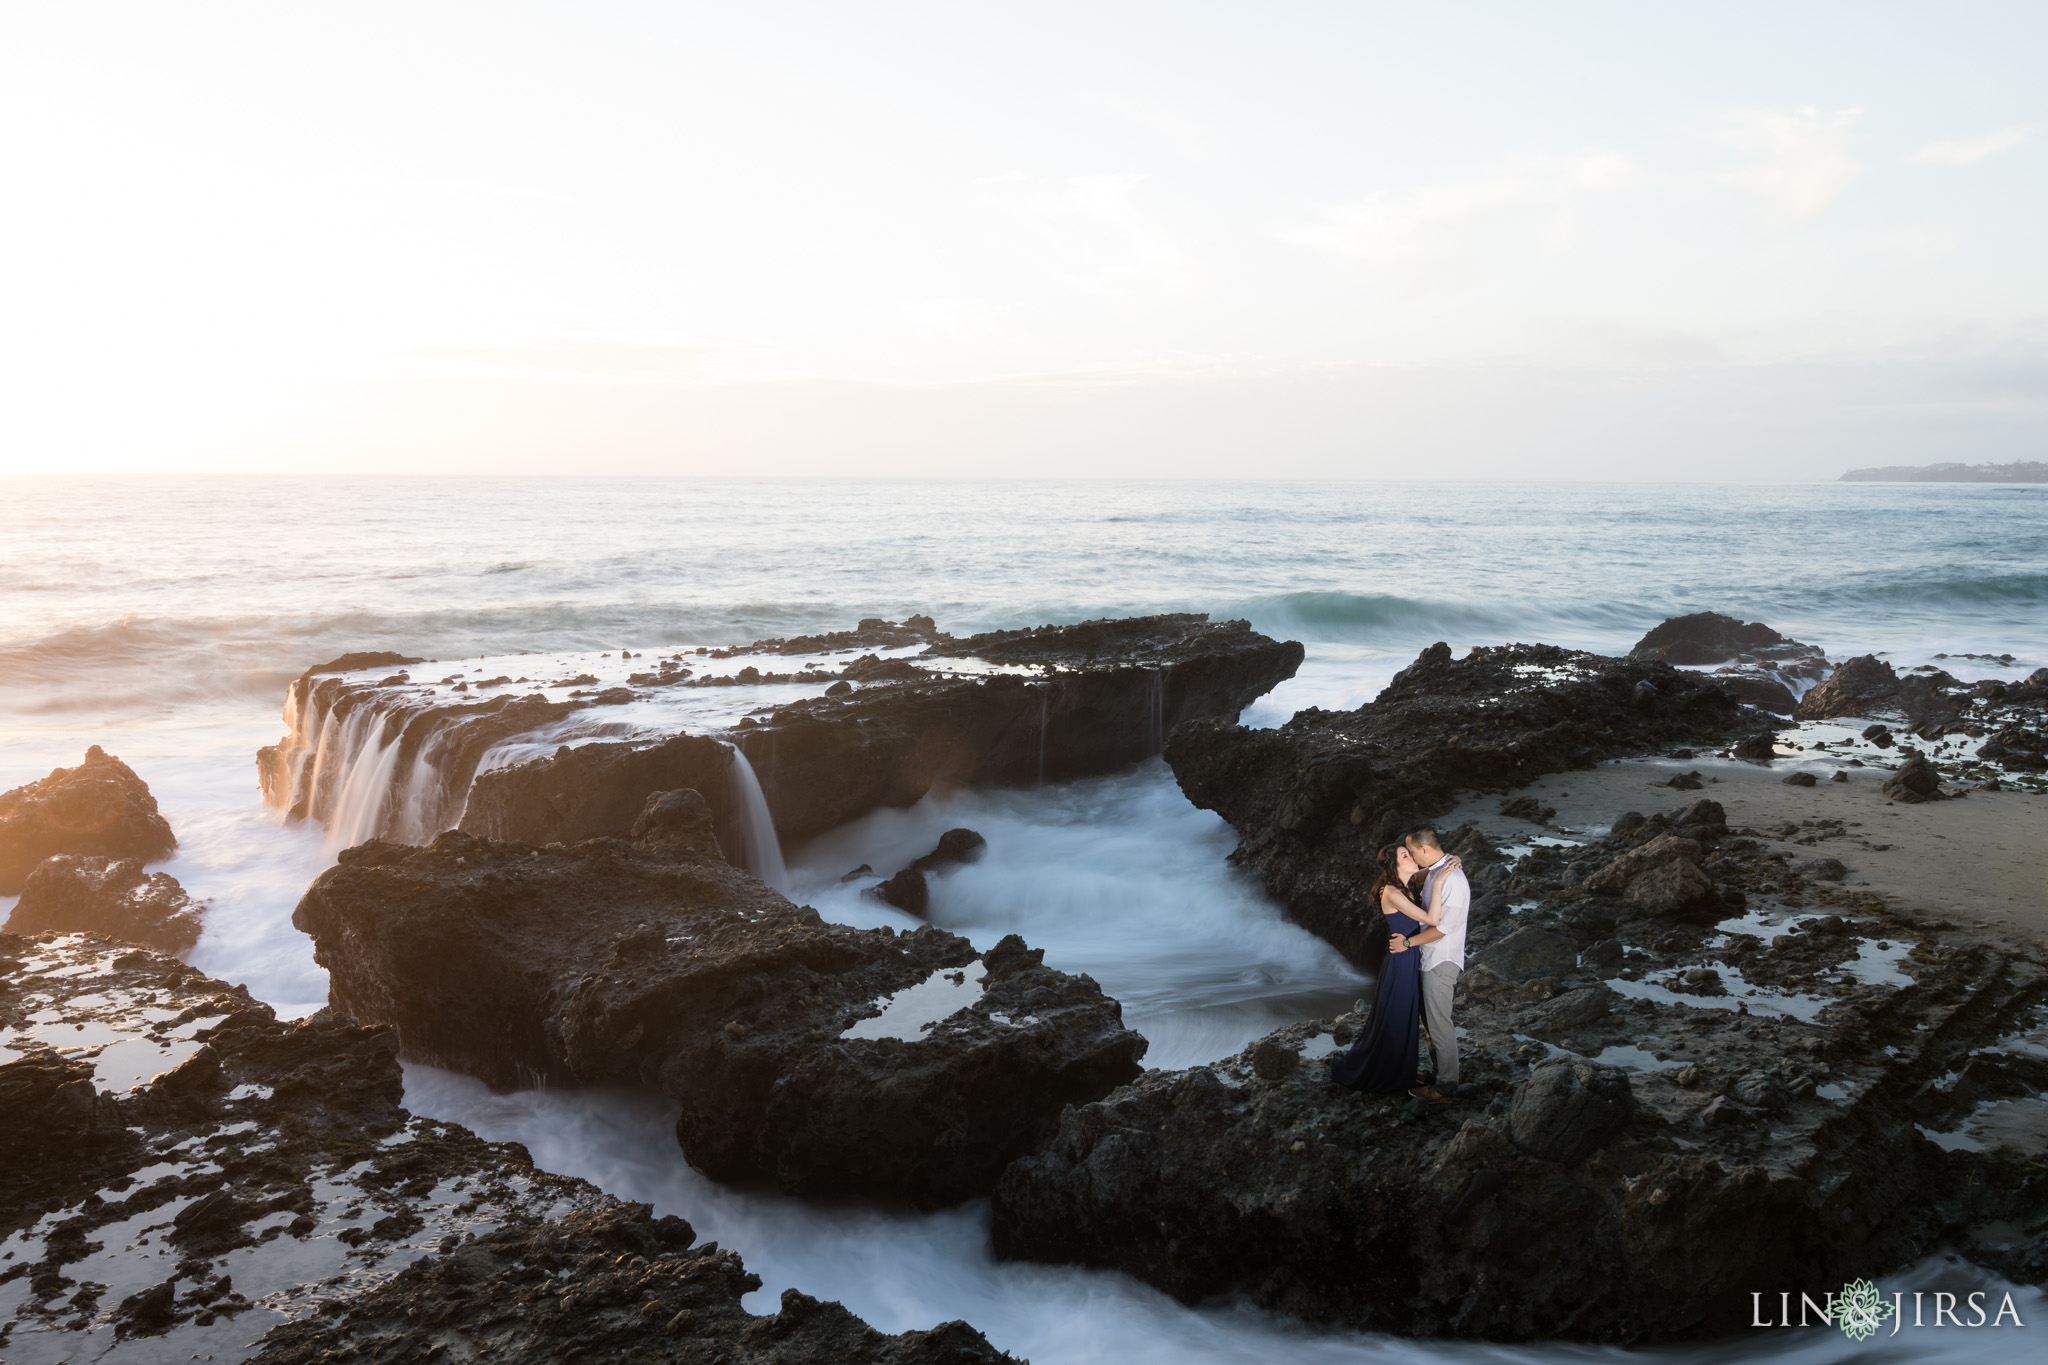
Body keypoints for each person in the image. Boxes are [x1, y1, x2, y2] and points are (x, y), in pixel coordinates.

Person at [1330, 842, 1461, 1095]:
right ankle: (1385, 1073)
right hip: (1401, 959)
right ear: (1394, 865)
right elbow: (1433, 920)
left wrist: (1452, 859)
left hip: (1410, 955)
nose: (1411, 857)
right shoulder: (1391, 892)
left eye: (1409, 852)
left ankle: (1402, 1070)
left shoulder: (1408, 882)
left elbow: (1436, 867)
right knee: (1396, 1018)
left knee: (1407, 1018)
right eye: (1405, 855)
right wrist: (1441, 883)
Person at [1388, 824, 1471, 1105]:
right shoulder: (1438, 870)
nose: (1411, 857)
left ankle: (1446, 1088)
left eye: (1412, 852)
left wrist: (1408, 943)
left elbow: (1444, 929)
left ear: (1424, 849)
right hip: (1428, 958)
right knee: (1430, 1023)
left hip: (1441, 960)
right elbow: (1412, 875)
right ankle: (1439, 1073)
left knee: (1440, 1024)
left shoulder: (1452, 880)